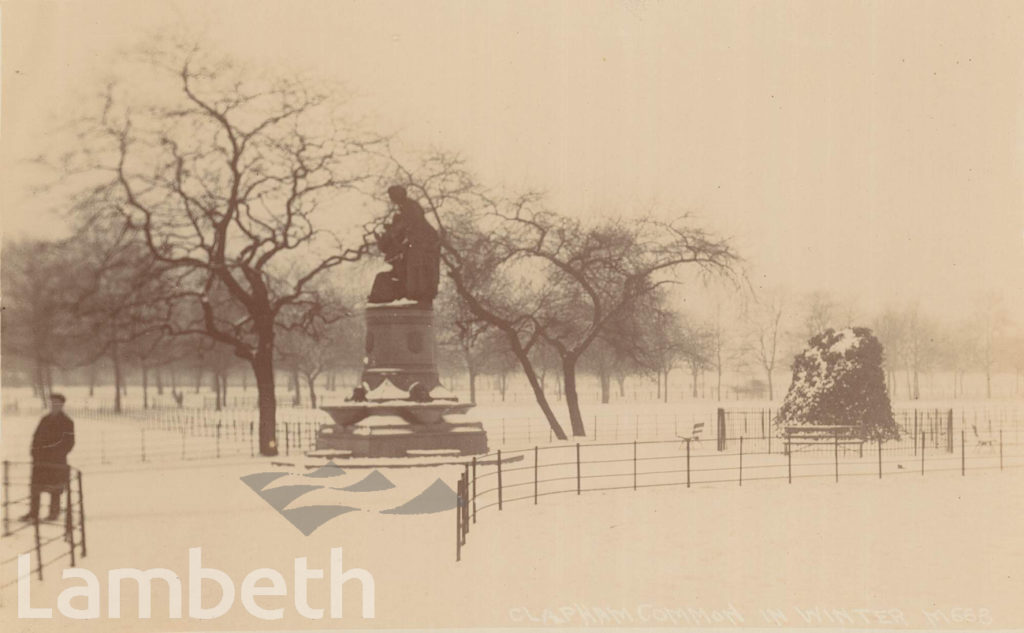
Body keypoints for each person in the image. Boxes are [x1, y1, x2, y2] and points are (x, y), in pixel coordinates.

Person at [19, 393, 75, 522]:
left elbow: (69, 443)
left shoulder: (67, 422)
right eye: (52, 403)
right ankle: (33, 513)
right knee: (36, 487)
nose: (53, 406)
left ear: (62, 405)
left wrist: (56, 455)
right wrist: (34, 453)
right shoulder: (44, 419)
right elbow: (36, 438)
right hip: (40, 461)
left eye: (56, 403)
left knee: (54, 488)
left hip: (56, 461)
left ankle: (53, 513)